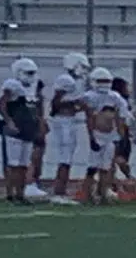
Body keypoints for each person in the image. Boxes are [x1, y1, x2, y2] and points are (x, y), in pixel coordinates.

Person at [0, 57, 45, 205]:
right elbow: (0, 104)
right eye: (27, 73)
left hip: (28, 130)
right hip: (15, 131)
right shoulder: (13, 86)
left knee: (24, 164)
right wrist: (9, 122)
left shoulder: (34, 88)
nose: (30, 76)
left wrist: (39, 125)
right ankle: (11, 195)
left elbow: (37, 109)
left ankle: (20, 194)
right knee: (13, 163)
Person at [46, 53, 94, 203]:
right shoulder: (65, 80)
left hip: (70, 119)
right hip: (63, 120)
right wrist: (74, 104)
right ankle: (59, 192)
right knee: (65, 157)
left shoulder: (76, 81)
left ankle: (61, 191)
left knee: (68, 156)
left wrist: (79, 106)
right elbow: (56, 103)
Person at [83, 73, 124, 205]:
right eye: (101, 80)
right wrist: (91, 137)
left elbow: (118, 117)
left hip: (110, 136)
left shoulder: (115, 97)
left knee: (106, 168)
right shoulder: (89, 96)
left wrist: (120, 135)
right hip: (98, 135)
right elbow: (89, 118)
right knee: (92, 167)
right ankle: (88, 194)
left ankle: (103, 193)